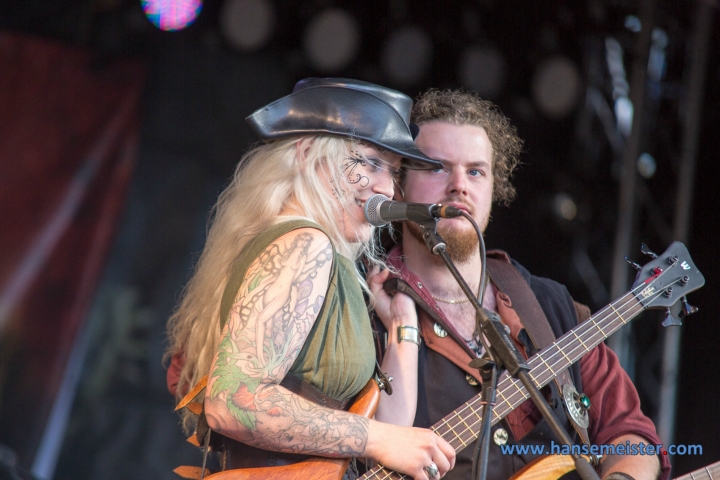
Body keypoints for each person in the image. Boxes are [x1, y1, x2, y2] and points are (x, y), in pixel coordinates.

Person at [367, 89, 671, 480]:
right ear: (399, 185)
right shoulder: (367, 309)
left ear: (495, 189)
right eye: (437, 167)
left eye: (476, 171)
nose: (460, 185)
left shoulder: (549, 305)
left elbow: (629, 433)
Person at [164, 78, 456, 480]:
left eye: (393, 171)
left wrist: (403, 328)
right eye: (370, 163)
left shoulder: (321, 257)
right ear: (307, 155)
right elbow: (232, 402)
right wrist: (375, 437)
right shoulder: (304, 245)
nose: (386, 188)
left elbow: (391, 430)